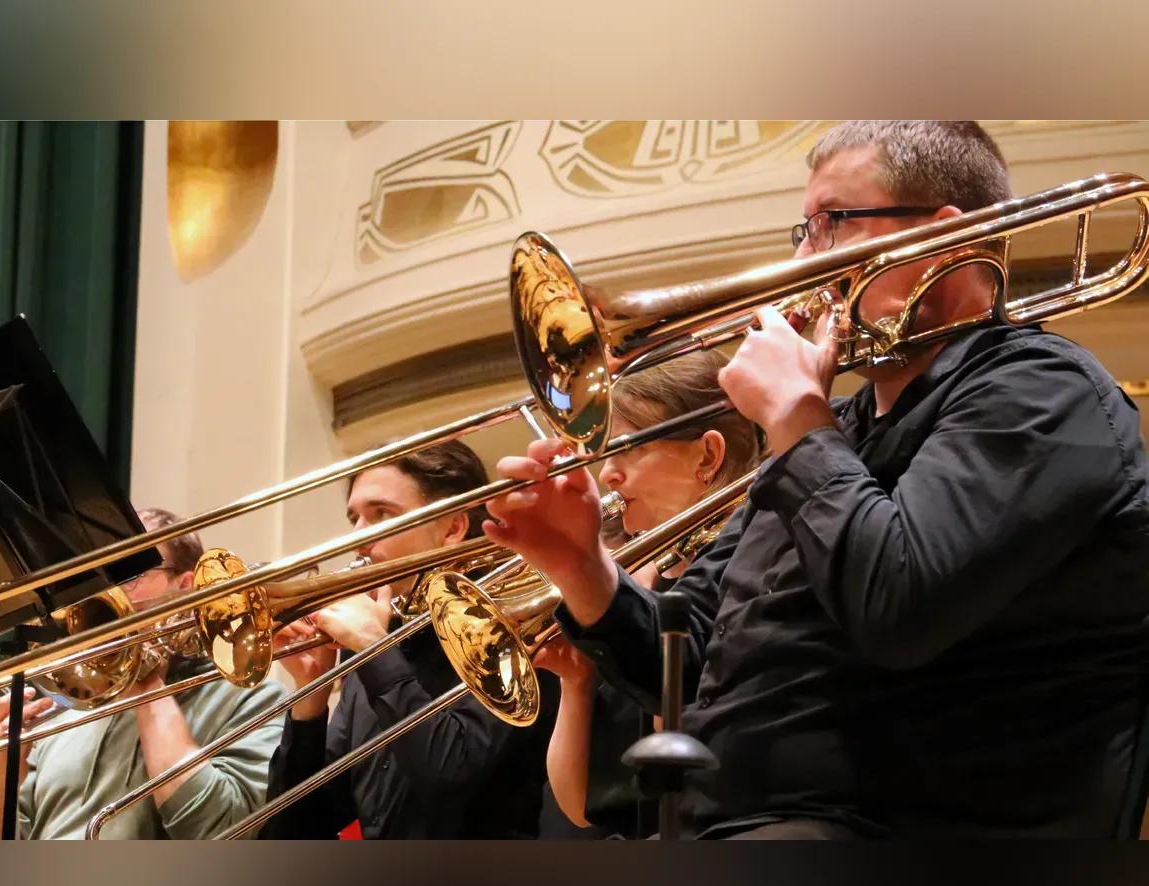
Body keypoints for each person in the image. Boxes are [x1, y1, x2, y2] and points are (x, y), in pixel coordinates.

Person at [486, 121, 1149, 838]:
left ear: (946, 239)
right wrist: (581, 566)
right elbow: (691, 660)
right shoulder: (833, 428)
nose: (804, 260)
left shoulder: (1041, 391)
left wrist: (797, 419)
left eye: (830, 222)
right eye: (800, 230)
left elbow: (901, 606)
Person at [260, 439, 558, 839]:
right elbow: (292, 833)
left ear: (452, 527)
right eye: (355, 519)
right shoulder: (382, 645)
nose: (357, 536)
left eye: (381, 514)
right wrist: (311, 695)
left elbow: (450, 776)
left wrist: (372, 648)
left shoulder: (516, 622)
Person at [535, 350, 760, 838]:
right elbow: (580, 806)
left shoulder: (753, 564)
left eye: (628, 449)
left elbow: (689, 777)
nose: (607, 475)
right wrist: (575, 685)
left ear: (708, 456)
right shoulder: (634, 588)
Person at [0, 507, 287, 839]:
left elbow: (222, 829)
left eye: (129, 576)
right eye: (100, 577)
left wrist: (145, 677)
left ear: (186, 587)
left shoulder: (251, 700)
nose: (108, 591)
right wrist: (2, 767)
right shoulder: (67, 706)